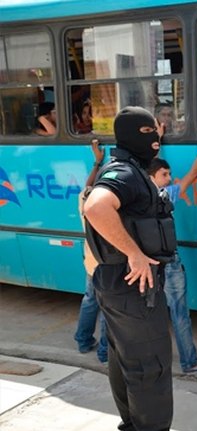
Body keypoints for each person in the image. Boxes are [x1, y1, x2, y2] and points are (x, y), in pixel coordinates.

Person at [83, 106, 197, 431]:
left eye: (157, 131)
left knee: (126, 361)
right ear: (131, 135)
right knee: (151, 366)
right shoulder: (125, 172)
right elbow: (96, 207)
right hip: (134, 285)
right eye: (148, 132)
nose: (156, 140)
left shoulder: (129, 168)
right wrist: (134, 253)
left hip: (120, 283)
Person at [146, 129, 197, 373]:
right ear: (152, 177)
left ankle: (123, 355)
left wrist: (157, 142)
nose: (169, 179)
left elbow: (149, 168)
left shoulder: (137, 199)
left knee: (146, 314)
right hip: (169, 263)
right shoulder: (166, 196)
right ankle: (189, 361)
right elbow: (194, 172)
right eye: (165, 175)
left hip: (146, 263)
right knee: (179, 313)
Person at [74, 139, 108, 363]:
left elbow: (88, 184)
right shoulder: (105, 208)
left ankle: (83, 339)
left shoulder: (85, 199)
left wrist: (97, 162)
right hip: (105, 263)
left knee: (90, 300)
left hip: (91, 260)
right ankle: (105, 352)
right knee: (107, 308)